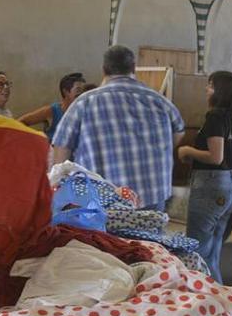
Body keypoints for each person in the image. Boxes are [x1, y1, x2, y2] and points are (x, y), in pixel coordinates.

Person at [52, 45, 185, 211]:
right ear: (133, 67)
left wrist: (60, 188)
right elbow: (178, 133)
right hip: (151, 197)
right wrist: (156, 149)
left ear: (104, 69)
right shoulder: (159, 101)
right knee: (149, 238)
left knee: (102, 238)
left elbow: (62, 150)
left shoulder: (84, 103)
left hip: (100, 201)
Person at [177, 71, 232, 283]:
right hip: (229, 184)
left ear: (220, 91)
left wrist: (187, 151)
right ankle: (219, 297)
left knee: (197, 251)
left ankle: (202, 301)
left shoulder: (214, 117)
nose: (207, 89)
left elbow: (216, 157)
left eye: (211, 85)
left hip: (210, 185)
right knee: (213, 252)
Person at [18, 72, 86, 140]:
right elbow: (21, 121)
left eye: (84, 91)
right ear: (66, 92)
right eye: (78, 90)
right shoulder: (52, 111)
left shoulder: (85, 111)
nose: (83, 94)